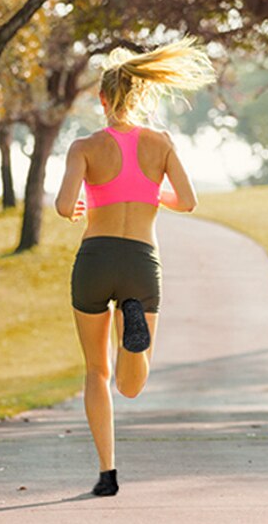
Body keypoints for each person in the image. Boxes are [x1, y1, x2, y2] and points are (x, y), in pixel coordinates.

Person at [54, 35, 216, 496]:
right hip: (142, 262)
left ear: (103, 99)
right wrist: (151, 192)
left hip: (94, 260)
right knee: (130, 383)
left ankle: (107, 474)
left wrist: (80, 206)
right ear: (141, 94)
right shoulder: (160, 143)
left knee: (95, 373)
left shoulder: (83, 147)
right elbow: (188, 201)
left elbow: (65, 205)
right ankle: (135, 343)